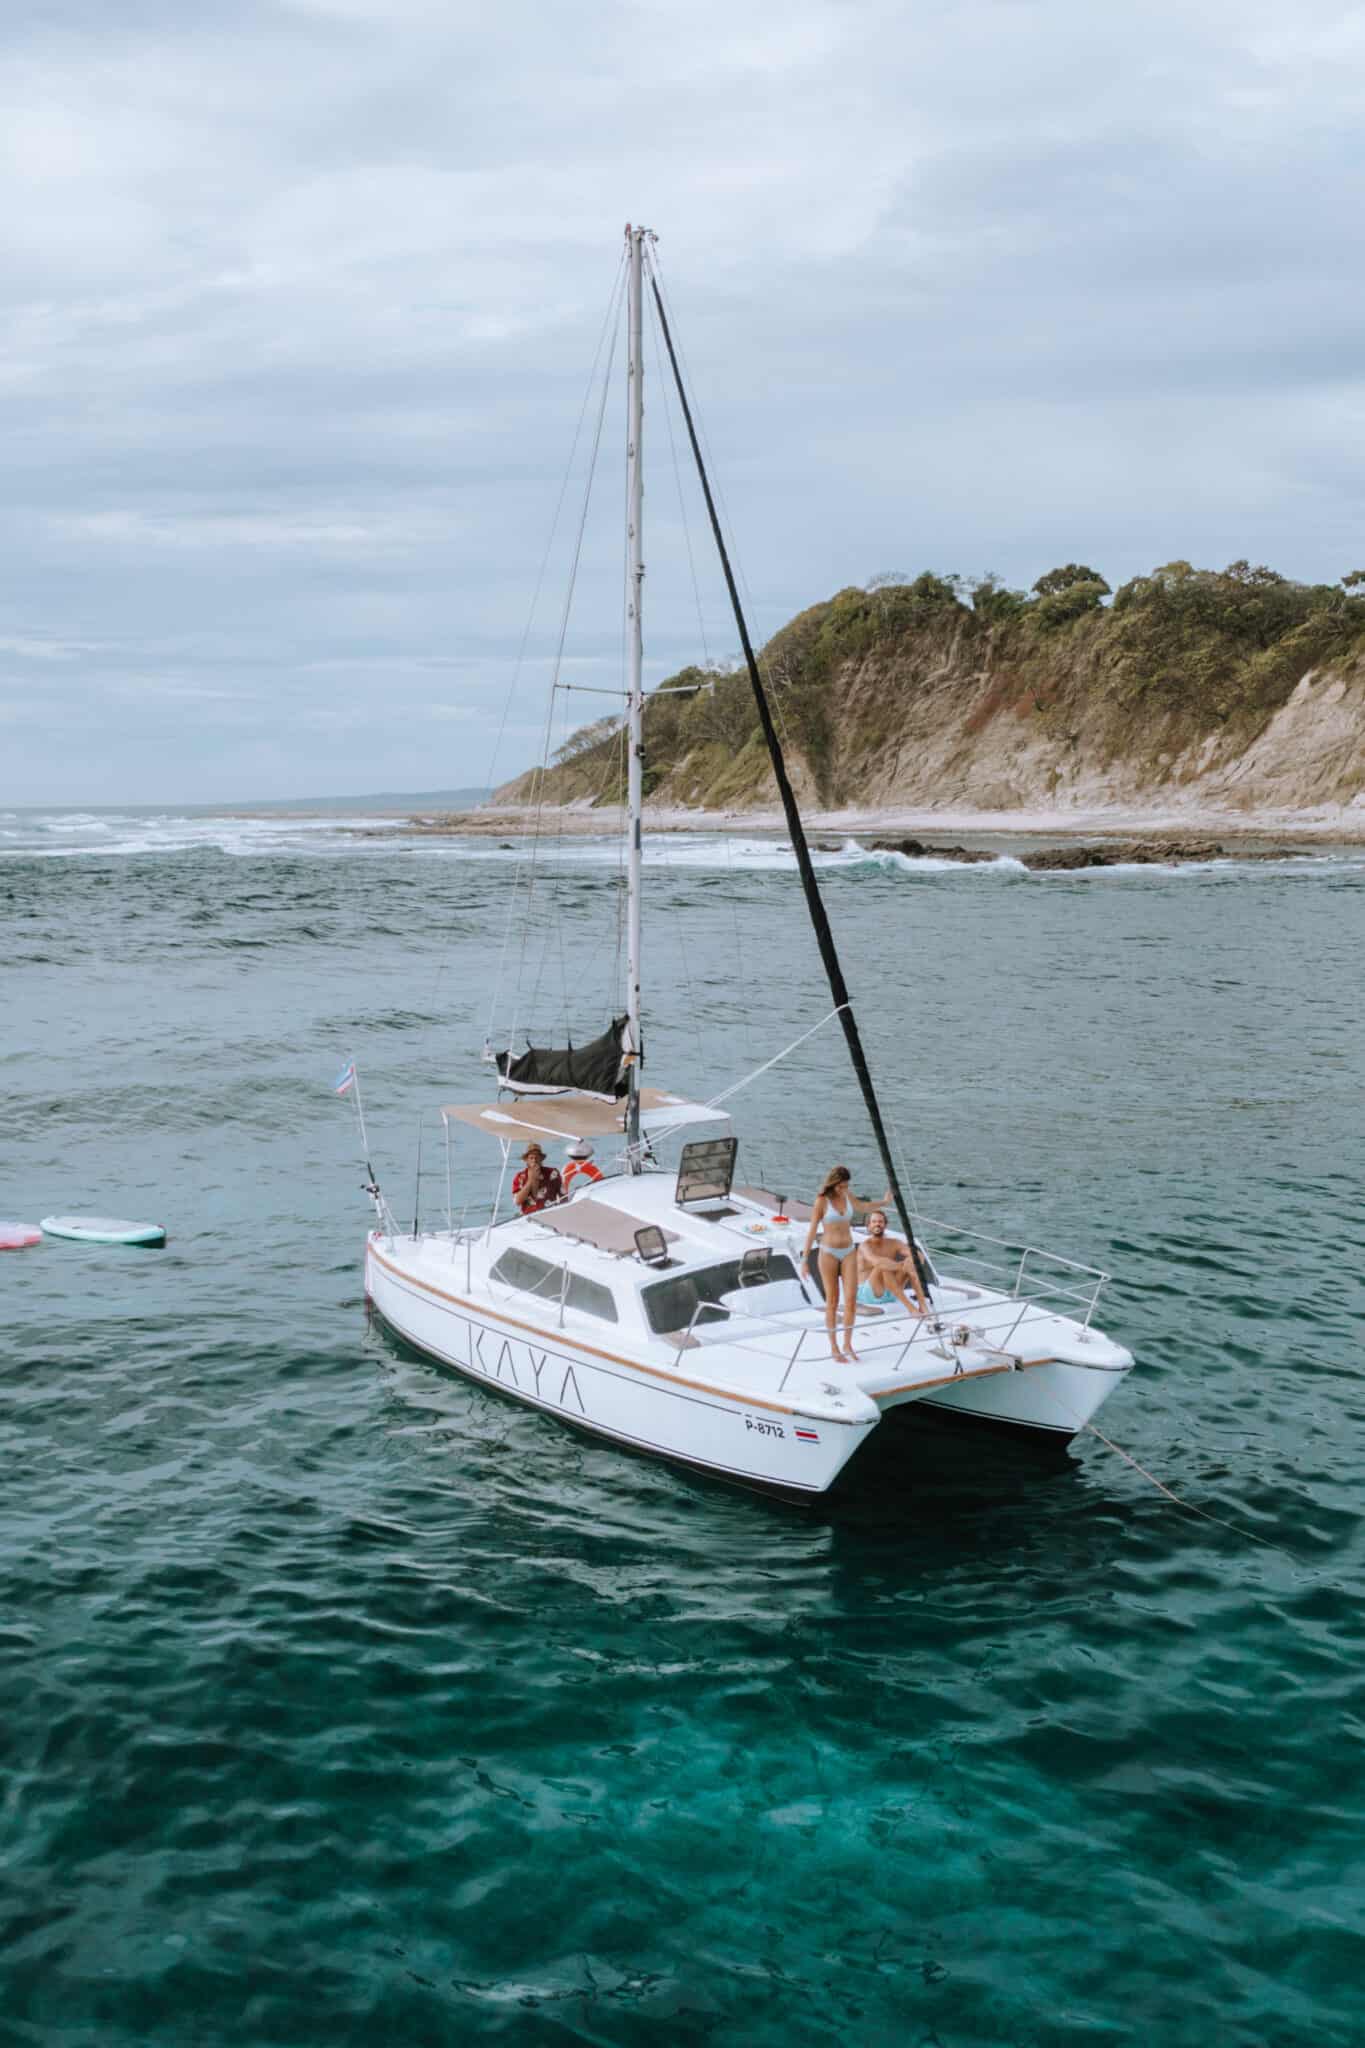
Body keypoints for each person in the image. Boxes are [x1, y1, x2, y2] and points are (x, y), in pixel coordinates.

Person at [799, 1164, 890, 1363]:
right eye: (840, 1186)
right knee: (832, 1301)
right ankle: (834, 1347)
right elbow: (812, 1230)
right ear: (833, 1184)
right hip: (828, 1253)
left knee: (850, 1300)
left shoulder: (848, 1195)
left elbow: (863, 1207)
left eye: (846, 1186)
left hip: (848, 1251)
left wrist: (883, 1202)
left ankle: (847, 1343)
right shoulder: (821, 1201)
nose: (843, 1189)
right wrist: (804, 1260)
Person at [856, 1209, 930, 1316]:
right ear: (868, 1226)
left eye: (880, 1221)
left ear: (885, 1225)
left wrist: (910, 1262)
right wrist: (902, 1266)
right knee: (883, 1265)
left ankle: (923, 1305)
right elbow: (878, 1263)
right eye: (874, 1221)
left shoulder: (894, 1243)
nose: (877, 1224)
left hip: (892, 1292)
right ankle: (911, 1309)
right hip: (869, 1294)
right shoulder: (864, 1246)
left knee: (911, 1262)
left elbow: (919, 1256)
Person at [512, 1141, 562, 1215]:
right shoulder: (520, 1177)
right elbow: (517, 1201)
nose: (534, 1160)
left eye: (537, 1157)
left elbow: (563, 1196)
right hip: (528, 1217)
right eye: (531, 1158)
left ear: (541, 1159)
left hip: (550, 1214)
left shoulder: (552, 1173)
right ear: (526, 1160)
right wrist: (530, 1181)